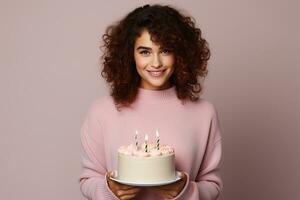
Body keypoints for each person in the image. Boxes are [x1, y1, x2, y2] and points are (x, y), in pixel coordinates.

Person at [79, 3, 223, 200]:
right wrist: (109, 190)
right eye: (145, 52)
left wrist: (186, 191)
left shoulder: (204, 113)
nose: (156, 63)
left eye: (165, 51)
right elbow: (88, 179)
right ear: (130, 55)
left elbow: (212, 184)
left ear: (180, 54)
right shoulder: (101, 111)